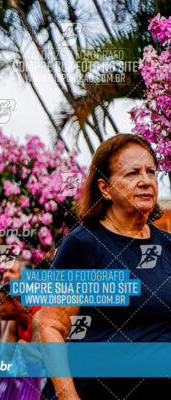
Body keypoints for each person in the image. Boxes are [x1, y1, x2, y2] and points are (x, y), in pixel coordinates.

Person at [38, 134, 171, 399]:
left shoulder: (167, 245)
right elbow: (51, 326)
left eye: (151, 172)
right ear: (105, 188)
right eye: (132, 173)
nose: (145, 180)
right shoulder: (83, 245)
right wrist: (67, 397)